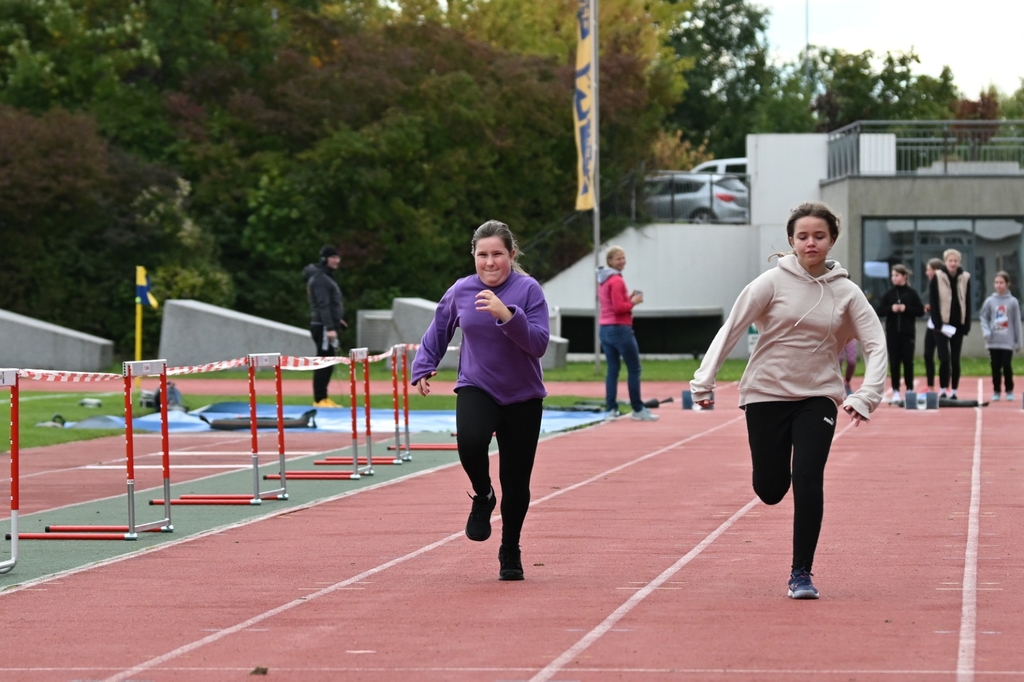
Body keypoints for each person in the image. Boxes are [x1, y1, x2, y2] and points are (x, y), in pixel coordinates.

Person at [689, 201, 886, 600]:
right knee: (771, 488)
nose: (811, 243)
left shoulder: (847, 292)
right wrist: (703, 382)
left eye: (819, 236)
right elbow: (732, 328)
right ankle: (772, 479)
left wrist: (867, 394)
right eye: (803, 236)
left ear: (832, 240)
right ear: (792, 241)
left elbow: (875, 343)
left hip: (818, 395)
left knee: (809, 476)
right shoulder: (771, 283)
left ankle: (801, 572)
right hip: (765, 393)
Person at [411, 220, 549, 582]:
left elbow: (538, 344)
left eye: (497, 254)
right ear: (473, 255)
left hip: (523, 395)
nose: (490, 262)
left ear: (511, 255)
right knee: (471, 442)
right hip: (477, 385)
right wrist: (423, 365)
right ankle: (484, 495)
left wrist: (507, 315)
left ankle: (510, 549)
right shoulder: (462, 290)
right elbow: (438, 329)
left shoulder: (528, 290)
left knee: (516, 481)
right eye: (482, 254)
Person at [597, 246, 658, 421]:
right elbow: (618, 308)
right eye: (618, 258)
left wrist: (627, 299)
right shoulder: (616, 280)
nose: (622, 261)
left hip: (605, 328)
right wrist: (634, 302)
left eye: (623, 258)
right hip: (619, 329)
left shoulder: (603, 279)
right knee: (634, 368)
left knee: (612, 369)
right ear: (610, 261)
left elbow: (612, 304)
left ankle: (611, 409)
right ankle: (638, 409)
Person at [302, 245, 348, 408]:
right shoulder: (321, 279)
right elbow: (323, 305)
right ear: (325, 259)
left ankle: (323, 397)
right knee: (323, 362)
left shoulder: (325, 277)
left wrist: (337, 321)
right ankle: (319, 398)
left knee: (328, 362)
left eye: (337, 257)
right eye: (333, 257)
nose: (337, 261)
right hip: (322, 326)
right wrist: (330, 327)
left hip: (325, 325)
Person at [876, 264, 925, 406]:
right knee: (894, 362)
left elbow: (920, 311)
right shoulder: (889, 294)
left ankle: (909, 389)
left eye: (896, 275)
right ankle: (896, 390)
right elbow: (879, 310)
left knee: (908, 362)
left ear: (904, 276)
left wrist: (906, 308)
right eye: (892, 275)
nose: (894, 278)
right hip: (892, 333)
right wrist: (891, 309)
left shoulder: (911, 293)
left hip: (908, 333)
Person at [929, 249, 971, 400]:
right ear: (945, 262)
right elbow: (933, 300)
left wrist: (966, 324)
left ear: (959, 262)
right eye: (950, 261)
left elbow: (967, 300)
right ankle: (942, 389)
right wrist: (937, 323)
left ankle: (954, 390)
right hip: (942, 325)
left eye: (955, 261)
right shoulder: (938, 276)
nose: (953, 263)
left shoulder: (965, 277)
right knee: (944, 358)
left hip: (958, 324)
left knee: (955, 359)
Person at [979, 270, 1021, 401]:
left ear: (1007, 284)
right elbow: (984, 317)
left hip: (1007, 340)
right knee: (995, 366)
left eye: (1001, 282)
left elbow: (1016, 322)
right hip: (993, 340)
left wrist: (1018, 341)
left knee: (1006, 365)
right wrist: (986, 332)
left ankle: (1009, 389)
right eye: (996, 282)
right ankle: (996, 390)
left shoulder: (1013, 302)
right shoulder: (990, 301)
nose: (999, 285)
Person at [922, 258, 944, 395]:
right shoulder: (931, 284)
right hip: (932, 324)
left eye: (928, 269)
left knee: (943, 356)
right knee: (927, 354)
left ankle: (944, 386)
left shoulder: (945, 285)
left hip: (942, 325)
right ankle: (930, 386)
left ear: (936, 271)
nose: (927, 273)